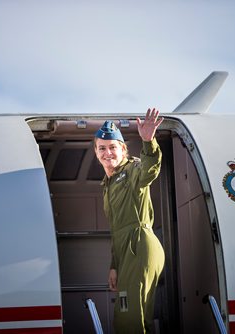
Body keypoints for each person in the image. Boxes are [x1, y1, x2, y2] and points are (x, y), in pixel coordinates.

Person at [94, 108, 165, 334]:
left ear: (123, 149)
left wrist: (148, 142)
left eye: (113, 147)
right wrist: (115, 265)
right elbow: (116, 231)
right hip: (126, 251)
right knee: (134, 318)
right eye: (102, 148)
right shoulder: (107, 184)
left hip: (140, 244)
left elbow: (149, 170)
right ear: (96, 152)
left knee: (128, 319)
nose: (108, 153)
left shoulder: (133, 168)